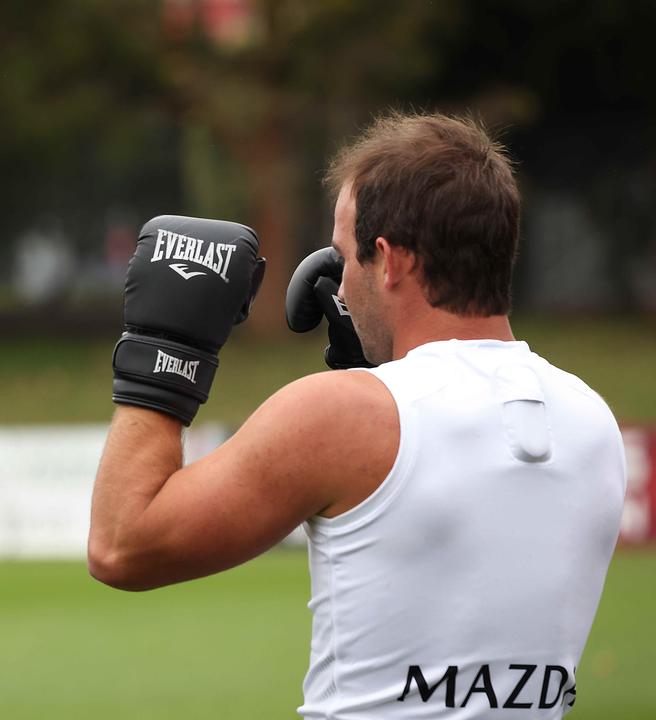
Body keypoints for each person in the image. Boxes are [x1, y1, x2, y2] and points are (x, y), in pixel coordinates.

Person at [89, 113, 625, 718]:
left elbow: (121, 547)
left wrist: (165, 349)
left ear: (389, 261)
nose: (338, 285)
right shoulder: (592, 423)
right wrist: (373, 375)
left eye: (345, 257)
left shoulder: (346, 415)